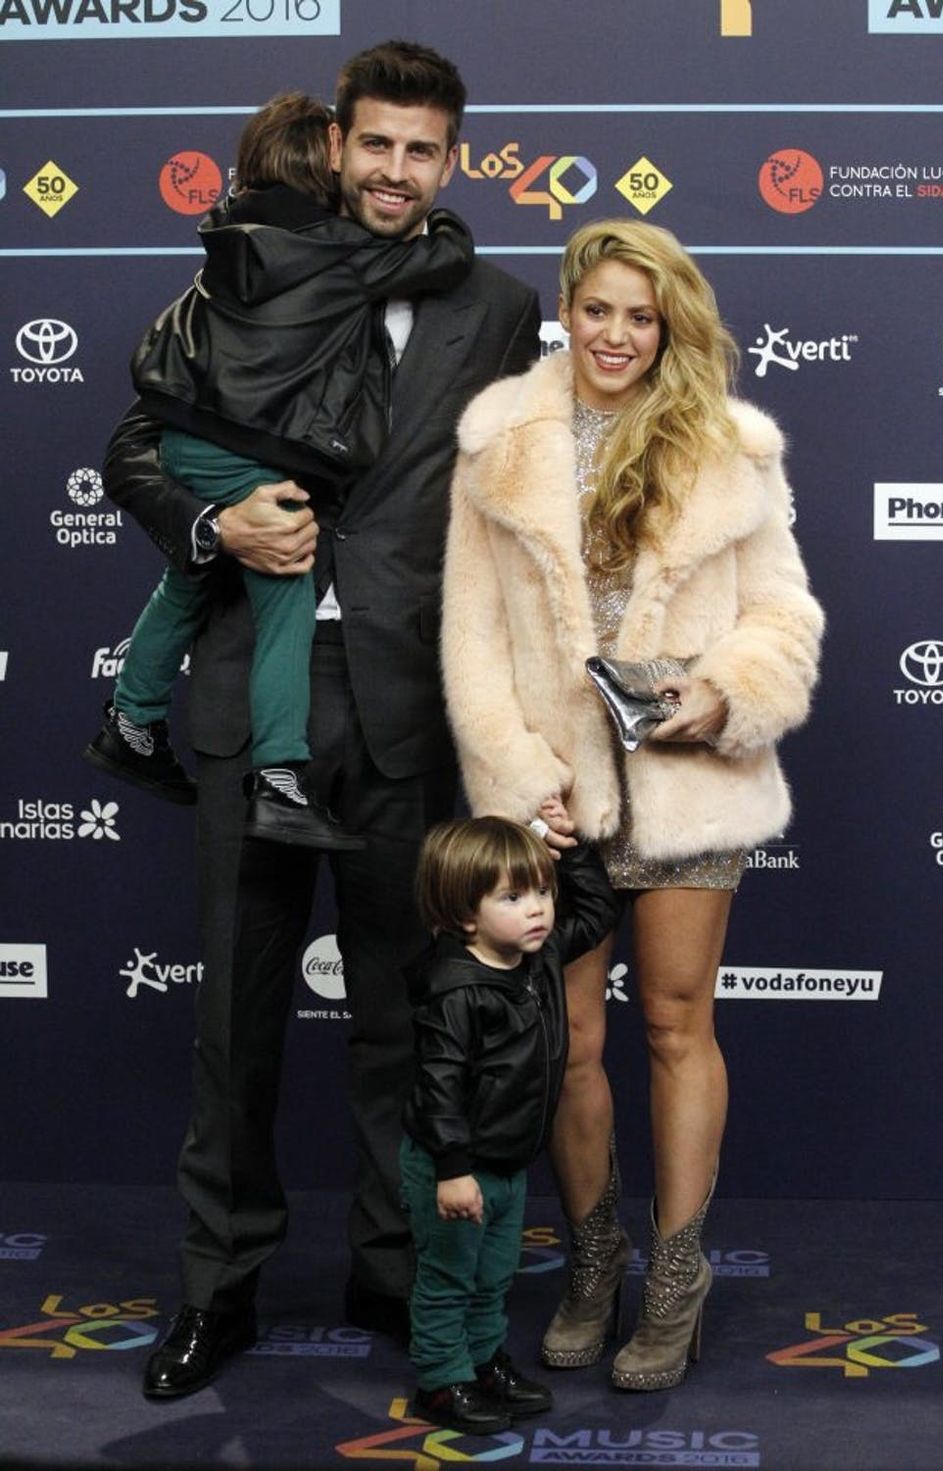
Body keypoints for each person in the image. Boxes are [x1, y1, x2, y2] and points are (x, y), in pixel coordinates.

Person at [101, 40, 541, 1400]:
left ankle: (397, 1269)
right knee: (235, 1018)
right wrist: (208, 517)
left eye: (423, 150)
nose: (395, 172)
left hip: (410, 702)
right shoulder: (248, 265)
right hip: (251, 690)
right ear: (334, 146)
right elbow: (136, 439)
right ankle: (217, 1288)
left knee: (407, 1021)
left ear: (453, 160)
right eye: (376, 146)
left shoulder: (499, 304)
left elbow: (532, 505)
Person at [441, 219, 824, 1391]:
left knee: (670, 1027)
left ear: (671, 326)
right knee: (567, 1047)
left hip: (687, 785)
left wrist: (722, 697)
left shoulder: (729, 448)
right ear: (570, 309)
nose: (614, 334)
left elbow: (782, 615)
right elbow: (471, 635)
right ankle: (592, 1262)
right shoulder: (499, 439)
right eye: (596, 309)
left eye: (639, 315)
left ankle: (675, 1274)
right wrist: (515, 779)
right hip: (554, 802)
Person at [85, 91, 474, 851]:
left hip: (191, 441)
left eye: (419, 153)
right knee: (289, 596)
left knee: (184, 582)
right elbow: (445, 255)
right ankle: (281, 778)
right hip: (244, 459)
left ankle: (131, 719)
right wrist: (451, 222)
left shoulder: (224, 241)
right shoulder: (341, 250)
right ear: (333, 156)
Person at [401, 814, 618, 1435]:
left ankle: (484, 1363)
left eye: (544, 892)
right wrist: (452, 1171)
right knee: (447, 1279)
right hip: (455, 1171)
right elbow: (437, 1089)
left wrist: (569, 851)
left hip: (507, 1164)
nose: (539, 910)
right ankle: (443, 1383)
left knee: (494, 1277)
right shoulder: (454, 991)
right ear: (464, 914)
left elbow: (598, 910)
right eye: (513, 897)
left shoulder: (540, 955)